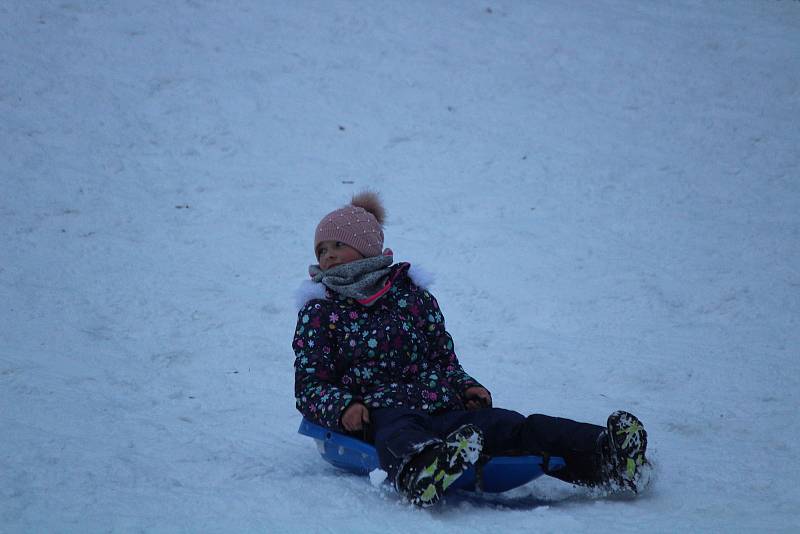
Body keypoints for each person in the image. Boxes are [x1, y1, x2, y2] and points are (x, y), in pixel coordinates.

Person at [293, 191, 650, 507]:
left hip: (441, 404)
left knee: (510, 425)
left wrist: (466, 386)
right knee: (398, 433)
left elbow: (442, 359)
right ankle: (422, 469)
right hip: (380, 410)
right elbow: (310, 384)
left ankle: (605, 454)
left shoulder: (413, 298)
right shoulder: (321, 312)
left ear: (367, 246)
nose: (328, 256)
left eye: (338, 245)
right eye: (321, 250)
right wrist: (344, 407)